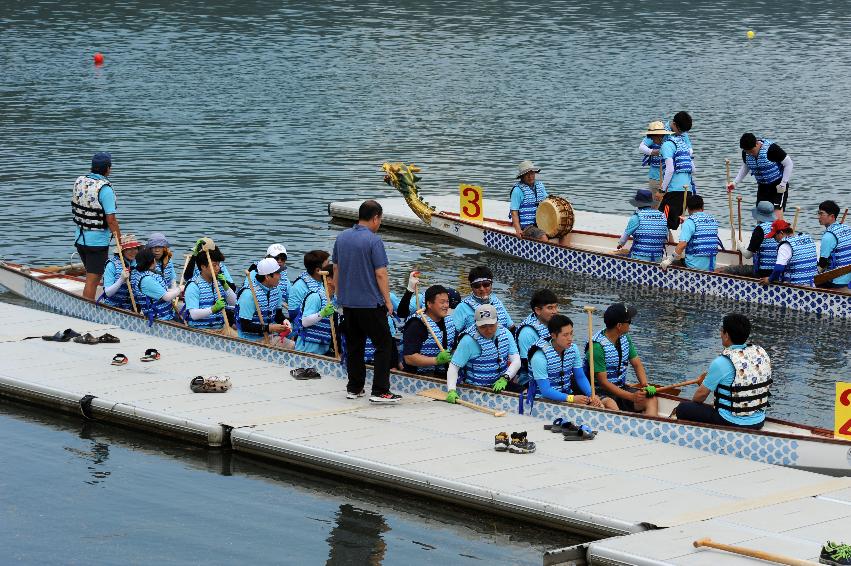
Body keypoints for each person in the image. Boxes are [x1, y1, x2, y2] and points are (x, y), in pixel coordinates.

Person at [332, 200, 401, 403]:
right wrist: (388, 301)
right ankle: (380, 390)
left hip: (348, 304)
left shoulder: (342, 238)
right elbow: (381, 273)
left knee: (354, 346)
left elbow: (336, 269)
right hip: (370, 304)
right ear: (376, 217)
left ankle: (354, 387)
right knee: (384, 344)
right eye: (380, 220)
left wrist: (340, 295)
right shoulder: (373, 241)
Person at [674, 313, 771, 429]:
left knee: (682, 408)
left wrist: (704, 386)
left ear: (726, 335)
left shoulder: (721, 362)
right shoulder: (760, 353)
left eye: (722, 330)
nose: (720, 333)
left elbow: (699, 397)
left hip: (730, 422)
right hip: (758, 421)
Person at [586, 303, 658, 416]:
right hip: (600, 392)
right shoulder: (597, 347)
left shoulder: (625, 338)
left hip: (621, 388)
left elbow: (637, 364)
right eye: (629, 322)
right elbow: (603, 383)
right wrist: (631, 397)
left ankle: (650, 427)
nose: (630, 324)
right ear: (619, 325)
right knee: (612, 406)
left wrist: (645, 385)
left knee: (651, 399)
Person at [528, 315, 611, 408]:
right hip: (542, 401)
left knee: (608, 402)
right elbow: (545, 390)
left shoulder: (573, 349)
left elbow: (580, 377)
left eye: (571, 333)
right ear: (553, 335)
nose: (570, 338)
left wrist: (591, 394)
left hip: (567, 397)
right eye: (565, 335)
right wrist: (571, 398)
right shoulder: (539, 357)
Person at [445, 304, 521, 404]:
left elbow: (516, 361)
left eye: (491, 325)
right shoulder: (468, 340)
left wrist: (506, 377)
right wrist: (451, 390)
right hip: (475, 389)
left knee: (525, 393)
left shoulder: (506, 333)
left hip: (501, 383)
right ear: (476, 324)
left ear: (497, 322)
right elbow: (454, 367)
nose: (488, 330)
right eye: (483, 326)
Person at [72, 152, 122, 299]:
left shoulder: (80, 181)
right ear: (107, 169)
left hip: (80, 239)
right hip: (97, 243)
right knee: (92, 281)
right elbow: (111, 219)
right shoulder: (105, 189)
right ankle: (87, 312)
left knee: (91, 275)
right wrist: (119, 240)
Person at [727, 133, 793, 219]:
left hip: (778, 185)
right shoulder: (746, 153)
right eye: (748, 152)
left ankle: (779, 231)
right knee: (761, 214)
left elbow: (789, 164)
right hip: (763, 186)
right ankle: (762, 231)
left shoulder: (771, 149)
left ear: (757, 144)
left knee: (777, 213)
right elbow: (746, 167)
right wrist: (735, 183)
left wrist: (783, 183)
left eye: (752, 151)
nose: (750, 154)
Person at [402, 284, 456, 378]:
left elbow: (454, 348)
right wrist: (436, 360)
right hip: (417, 376)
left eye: (447, 302)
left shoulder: (449, 321)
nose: (446, 306)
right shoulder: (416, 324)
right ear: (429, 304)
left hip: (442, 374)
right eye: (442, 302)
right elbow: (409, 358)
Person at [237, 258, 293, 344]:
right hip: (248, 340)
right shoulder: (249, 294)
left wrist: (285, 321)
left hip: (268, 337)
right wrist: (269, 328)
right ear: (267, 277)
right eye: (277, 273)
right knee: (291, 345)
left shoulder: (276, 290)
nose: (280, 276)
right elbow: (244, 326)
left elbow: (278, 315)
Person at [662, 195, 720, 271]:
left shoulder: (689, 222)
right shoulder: (713, 220)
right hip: (711, 265)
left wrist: (669, 260)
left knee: (670, 264)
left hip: (694, 266)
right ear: (702, 207)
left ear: (688, 209)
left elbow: (682, 244)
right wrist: (687, 221)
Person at [183, 246, 236, 330]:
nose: (218, 268)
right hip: (199, 331)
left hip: (220, 329)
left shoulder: (219, 282)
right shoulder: (193, 285)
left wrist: (226, 286)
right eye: (214, 265)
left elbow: (234, 303)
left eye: (218, 265)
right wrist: (213, 309)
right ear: (203, 267)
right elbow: (193, 314)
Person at [659, 111, 695, 229]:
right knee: (676, 223)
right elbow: (693, 168)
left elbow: (669, 170)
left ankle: (662, 246)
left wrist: (662, 190)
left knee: (661, 222)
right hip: (688, 191)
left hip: (675, 192)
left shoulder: (666, 145)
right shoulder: (684, 145)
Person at [516, 289, 559, 386]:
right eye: (550, 308)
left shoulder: (553, 324)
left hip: (551, 370)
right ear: (538, 310)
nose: (555, 311)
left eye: (556, 307)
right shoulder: (527, 332)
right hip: (529, 378)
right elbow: (527, 364)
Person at [724, 201, 779, 277]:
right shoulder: (780, 228)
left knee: (728, 269)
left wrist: (741, 247)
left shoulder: (759, 230)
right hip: (777, 272)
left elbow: (747, 255)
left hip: (762, 272)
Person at [452, 266, 514, 333]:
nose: (482, 288)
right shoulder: (462, 307)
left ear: (491, 284)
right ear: (471, 287)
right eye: (477, 285)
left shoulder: (497, 302)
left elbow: (511, 327)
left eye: (486, 284)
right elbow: (452, 334)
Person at [759, 219, 818, 287]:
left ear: (781, 233)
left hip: (795, 288)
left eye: (774, 236)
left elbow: (778, 269)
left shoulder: (785, 246)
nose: (775, 240)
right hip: (812, 284)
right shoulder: (807, 238)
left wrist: (769, 280)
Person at [130, 247, 183, 322]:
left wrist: (177, 292)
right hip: (160, 319)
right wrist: (180, 288)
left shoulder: (148, 274)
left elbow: (161, 291)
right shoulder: (147, 279)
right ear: (153, 261)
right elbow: (167, 297)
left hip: (167, 315)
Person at [616, 189, 669, 262]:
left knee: (619, 255)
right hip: (658, 258)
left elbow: (624, 238)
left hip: (640, 258)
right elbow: (666, 238)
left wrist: (620, 245)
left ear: (637, 204)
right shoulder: (662, 215)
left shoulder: (637, 217)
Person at [296, 265, 338, 355]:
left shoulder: (334, 299)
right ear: (329, 280)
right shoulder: (315, 296)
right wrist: (322, 313)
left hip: (323, 349)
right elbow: (305, 322)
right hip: (307, 349)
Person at [242, 243, 293, 312]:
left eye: (283, 258)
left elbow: (291, 299)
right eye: (276, 258)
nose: (279, 261)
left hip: (273, 313)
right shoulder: (253, 274)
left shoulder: (284, 279)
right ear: (267, 258)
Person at [101, 234, 142, 311]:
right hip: (113, 307)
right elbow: (108, 293)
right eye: (129, 249)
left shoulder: (138, 262)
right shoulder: (111, 265)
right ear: (122, 251)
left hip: (134, 307)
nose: (133, 252)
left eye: (135, 248)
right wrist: (121, 279)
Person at [817, 200, 851, 289]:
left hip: (837, 280)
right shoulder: (847, 228)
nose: (818, 217)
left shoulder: (828, 236)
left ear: (832, 216)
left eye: (821, 214)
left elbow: (822, 264)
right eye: (818, 213)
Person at [289, 250, 330, 324]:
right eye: (328, 265)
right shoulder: (299, 286)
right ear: (318, 270)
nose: (331, 268)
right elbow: (293, 315)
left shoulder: (323, 281)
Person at [509, 160, 548, 238]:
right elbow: (514, 212)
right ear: (522, 176)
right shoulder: (517, 190)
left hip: (541, 223)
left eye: (532, 173)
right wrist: (518, 230)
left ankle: (564, 250)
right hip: (527, 227)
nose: (530, 176)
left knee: (564, 233)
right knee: (543, 236)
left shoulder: (540, 186)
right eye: (527, 174)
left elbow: (548, 202)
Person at [638, 121, 673, 206]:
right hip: (655, 176)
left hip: (669, 178)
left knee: (667, 206)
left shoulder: (671, 139)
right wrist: (653, 152)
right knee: (655, 205)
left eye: (653, 138)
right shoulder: (652, 137)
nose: (652, 140)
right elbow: (641, 147)